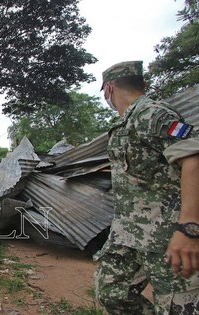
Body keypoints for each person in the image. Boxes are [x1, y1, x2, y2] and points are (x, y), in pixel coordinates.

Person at [94, 60, 199, 314]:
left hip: (168, 236)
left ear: (108, 89)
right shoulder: (127, 122)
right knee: (111, 292)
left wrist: (189, 229)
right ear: (144, 83)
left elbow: (194, 157)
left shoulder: (153, 114)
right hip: (129, 233)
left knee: (177, 308)